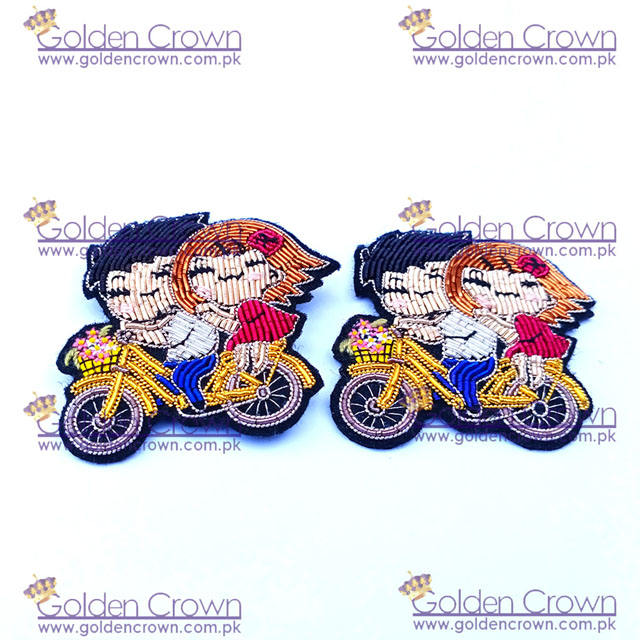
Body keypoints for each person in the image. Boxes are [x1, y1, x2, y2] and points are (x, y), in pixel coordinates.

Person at [84, 213, 222, 411]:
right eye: (121, 292)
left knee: (181, 377)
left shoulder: (185, 315)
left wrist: (138, 334)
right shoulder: (165, 317)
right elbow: (156, 327)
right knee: (160, 377)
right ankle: (164, 401)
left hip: (200, 355)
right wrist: (133, 330)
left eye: (162, 275)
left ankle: (198, 403)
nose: (145, 293)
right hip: (180, 356)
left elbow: (167, 337)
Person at [358, 230, 501, 411]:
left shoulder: (463, 313)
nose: (412, 297)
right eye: (396, 290)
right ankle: (439, 399)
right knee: (436, 376)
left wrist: (415, 328)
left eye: (432, 280)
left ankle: (471, 405)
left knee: (459, 376)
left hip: (478, 360)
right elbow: (431, 324)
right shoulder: (437, 314)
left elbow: (437, 330)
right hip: (452, 357)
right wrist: (408, 325)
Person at [171, 220, 333, 373]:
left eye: (249, 267)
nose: (228, 278)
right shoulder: (206, 310)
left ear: (273, 276)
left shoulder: (254, 308)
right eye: (206, 271)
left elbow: (239, 325)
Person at [444, 243, 592, 388]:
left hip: (536, 343)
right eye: (480, 284)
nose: (502, 293)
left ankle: (533, 381)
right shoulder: (477, 321)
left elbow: (509, 326)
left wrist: (491, 317)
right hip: (515, 345)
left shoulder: (525, 320)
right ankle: (523, 378)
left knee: (532, 359)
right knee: (518, 359)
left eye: (527, 285)